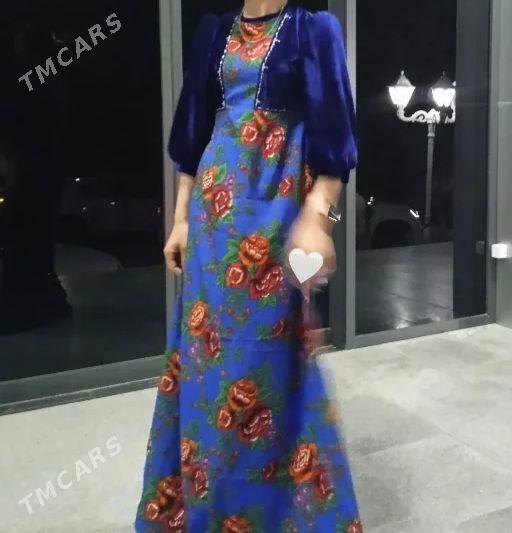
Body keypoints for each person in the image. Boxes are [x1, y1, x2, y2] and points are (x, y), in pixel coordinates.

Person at [135, 1, 363, 531]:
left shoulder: (313, 31)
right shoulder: (213, 32)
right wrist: (181, 219)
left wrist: (318, 216)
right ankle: (206, 505)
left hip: (276, 211)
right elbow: (192, 133)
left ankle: (275, 512)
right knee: (203, 356)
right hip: (213, 219)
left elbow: (335, 136)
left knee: (270, 359)